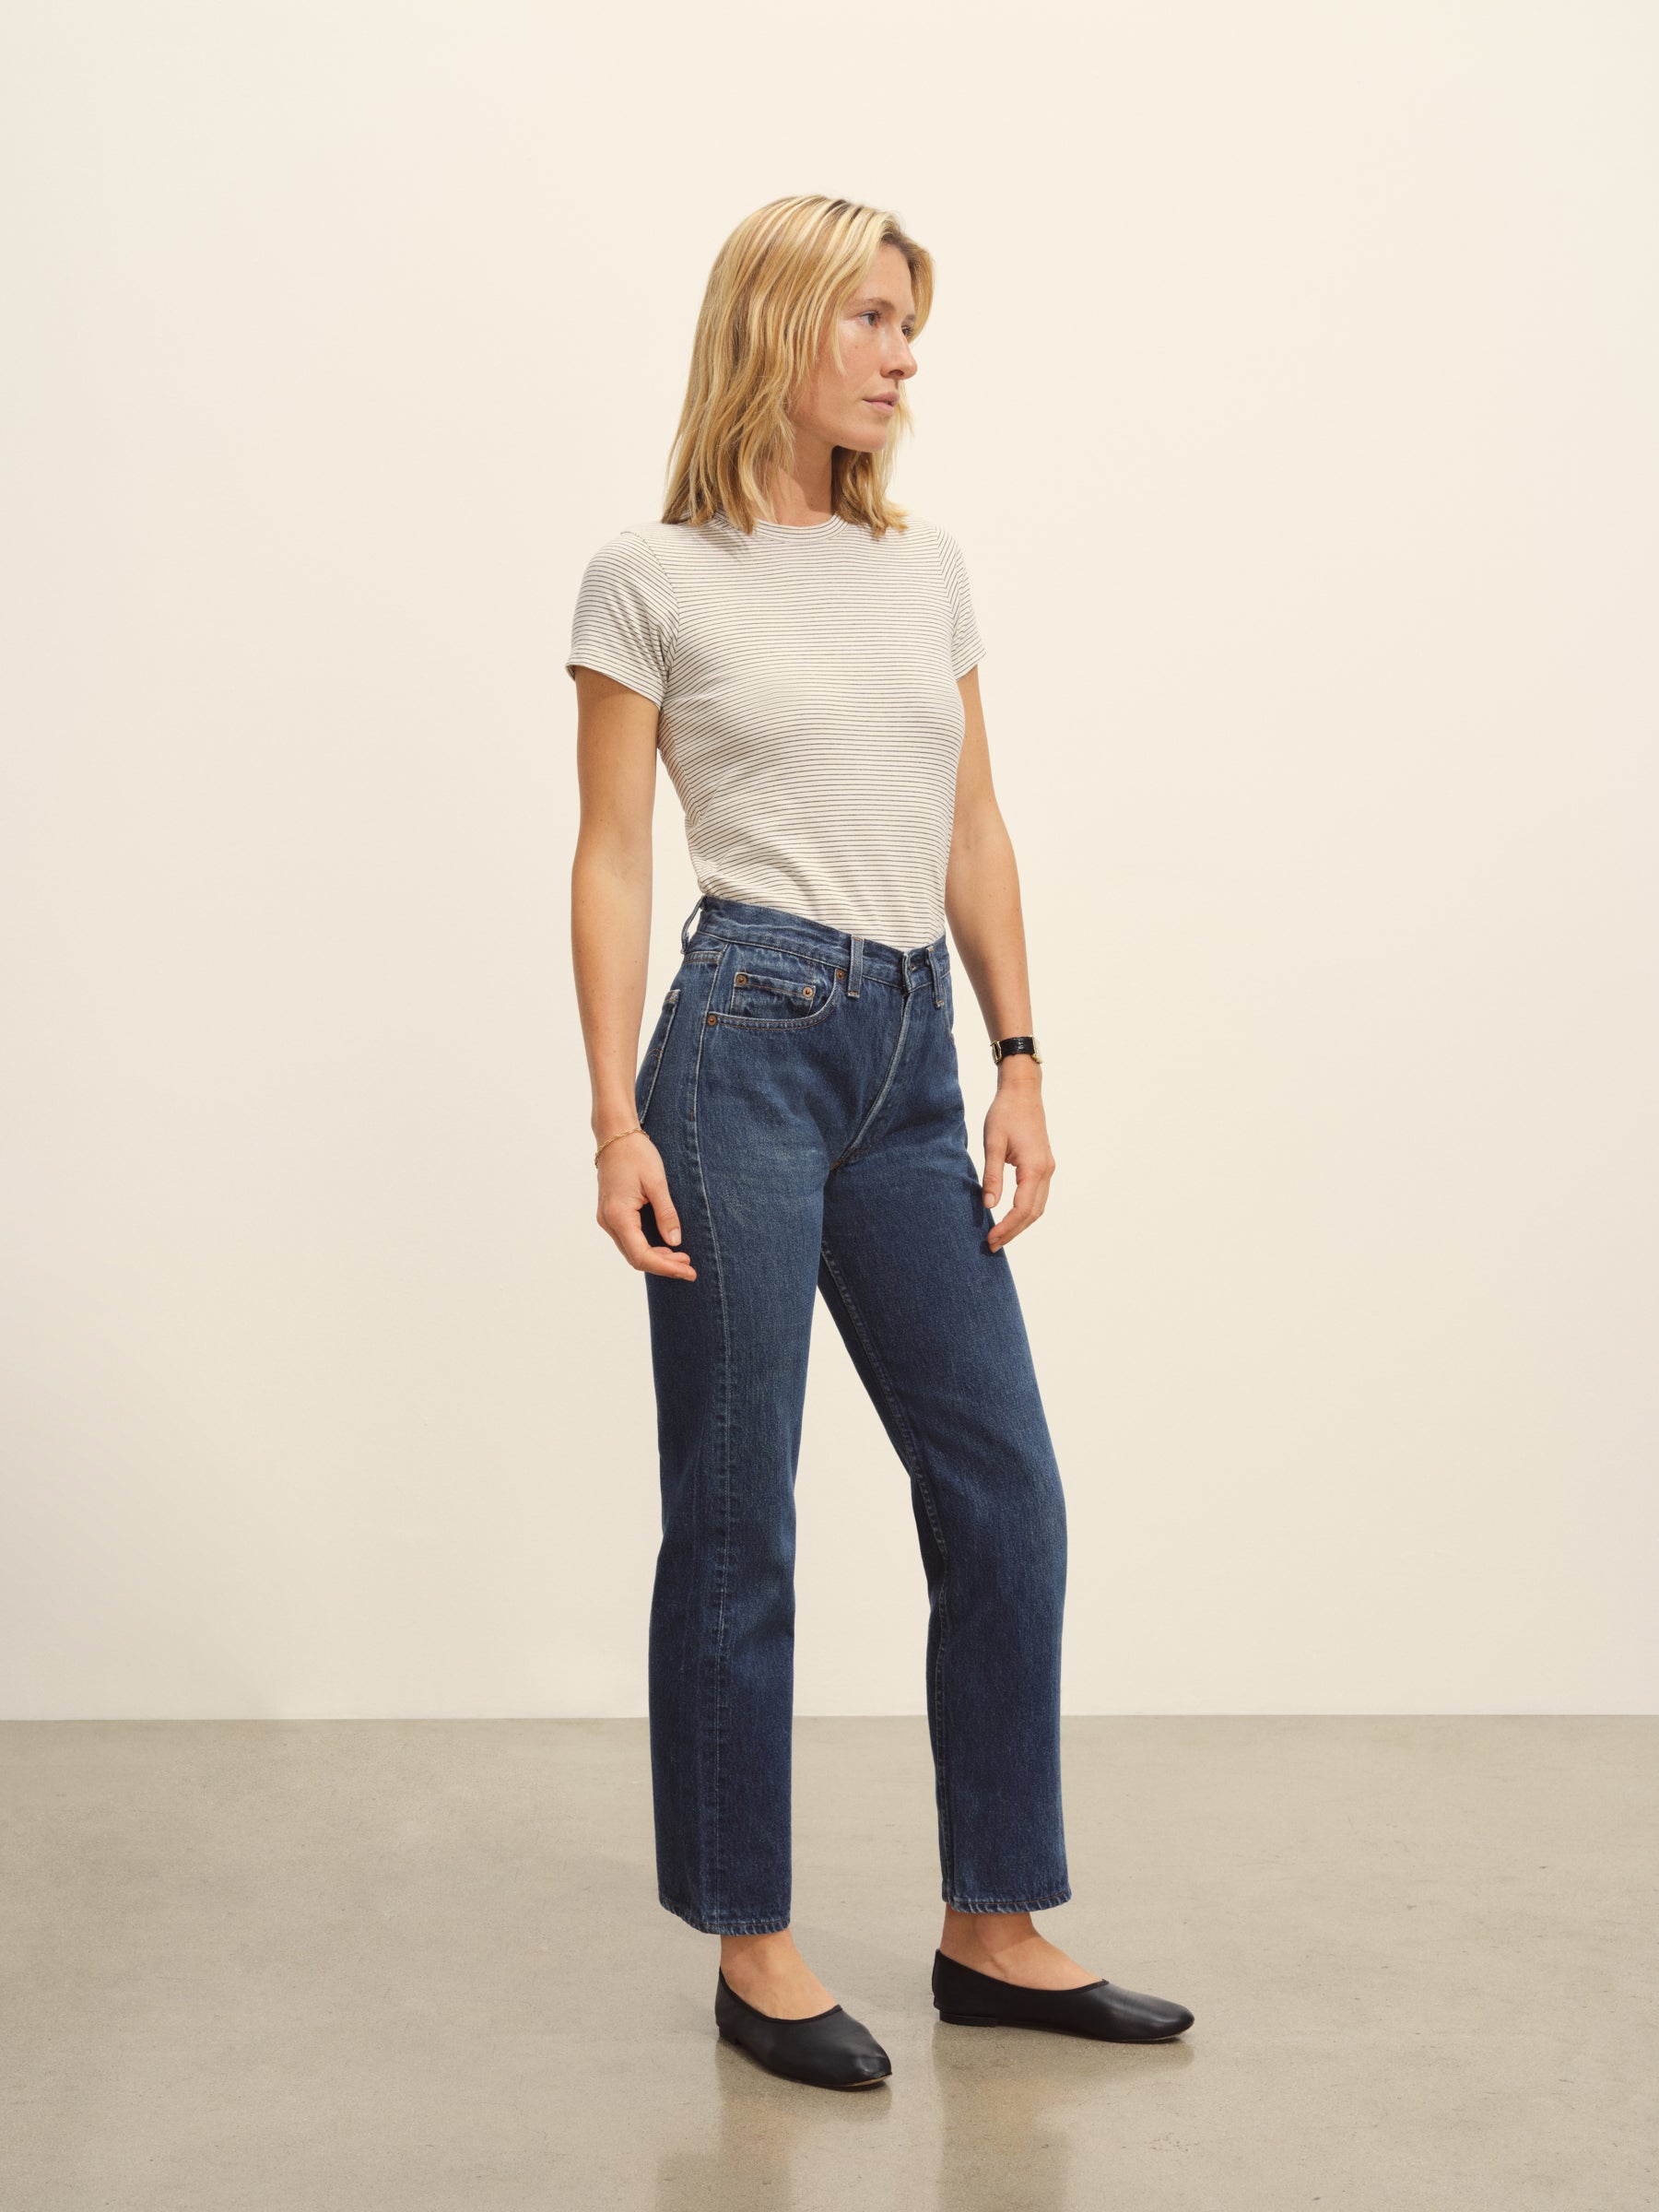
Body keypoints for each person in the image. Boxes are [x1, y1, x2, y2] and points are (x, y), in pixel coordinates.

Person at [567, 194, 1194, 2090]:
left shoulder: (926, 574)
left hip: (915, 1054)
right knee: (738, 1510)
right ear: (774, 326)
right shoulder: (649, 577)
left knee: (1002, 1487)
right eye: (870, 316)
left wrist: (1020, 1057)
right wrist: (613, 1118)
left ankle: (992, 1926)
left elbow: (973, 825)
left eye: (910, 320)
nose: (904, 355)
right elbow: (612, 857)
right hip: (739, 1052)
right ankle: (750, 1943)